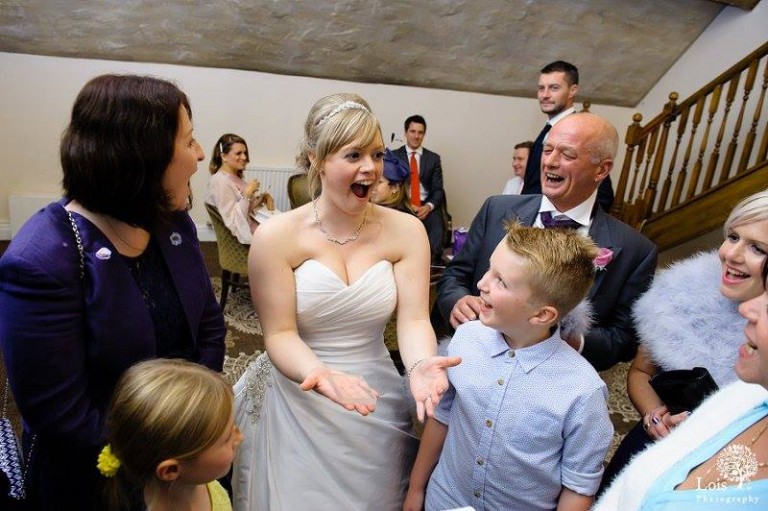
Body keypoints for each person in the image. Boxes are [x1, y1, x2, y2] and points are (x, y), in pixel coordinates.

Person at [0, 74, 226, 510]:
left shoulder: (170, 221)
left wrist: (197, 425)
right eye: (189, 141)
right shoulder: (40, 261)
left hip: (183, 459)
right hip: (96, 476)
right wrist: (165, 450)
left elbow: (208, 326)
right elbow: (61, 414)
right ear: (140, 158)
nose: (200, 155)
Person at [230, 93, 461, 510]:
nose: (371, 168)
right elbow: (279, 333)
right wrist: (320, 374)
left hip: (374, 390)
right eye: (353, 154)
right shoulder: (277, 237)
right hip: (299, 386)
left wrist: (421, 364)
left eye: (376, 153)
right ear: (316, 160)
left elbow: (412, 321)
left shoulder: (406, 231)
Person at [405, 223, 613, 511]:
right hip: (445, 499)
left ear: (542, 314)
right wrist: (417, 489)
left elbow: (578, 487)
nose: (481, 283)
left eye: (501, 281)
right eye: (490, 269)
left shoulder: (582, 393)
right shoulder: (466, 339)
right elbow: (442, 417)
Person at [435, 112, 658, 371]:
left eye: (567, 154)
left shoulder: (636, 251)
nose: (550, 162)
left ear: (602, 169)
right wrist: (458, 301)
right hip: (476, 364)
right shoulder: (496, 209)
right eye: (547, 150)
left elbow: (624, 339)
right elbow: (454, 276)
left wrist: (570, 341)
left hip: (559, 381)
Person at [599, 189, 768, 492]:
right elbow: (640, 373)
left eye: (757, 248)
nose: (731, 254)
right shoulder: (681, 292)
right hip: (650, 448)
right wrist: (654, 416)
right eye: (732, 237)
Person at [100, 359, 242, 511]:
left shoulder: (199, 476)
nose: (240, 437)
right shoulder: (200, 472)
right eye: (227, 438)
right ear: (170, 470)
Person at [521, 60, 614, 211]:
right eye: (541, 88)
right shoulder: (548, 128)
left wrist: (562, 224)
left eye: (554, 88)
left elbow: (604, 196)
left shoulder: (581, 132)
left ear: (573, 90)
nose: (545, 95)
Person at [393, 115, 447, 263]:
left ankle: (431, 265)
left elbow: (438, 190)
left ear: (424, 134)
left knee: (436, 229)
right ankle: (402, 261)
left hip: (426, 205)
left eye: (420, 132)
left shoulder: (433, 159)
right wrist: (406, 203)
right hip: (402, 203)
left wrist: (428, 207)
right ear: (405, 133)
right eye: (412, 131)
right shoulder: (394, 156)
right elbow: (391, 186)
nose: (416, 136)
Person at [205, 133, 275, 244]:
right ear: (224, 156)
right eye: (238, 153)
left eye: (245, 153)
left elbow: (243, 206)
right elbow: (233, 221)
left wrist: (262, 198)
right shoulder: (220, 182)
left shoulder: (235, 177)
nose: (244, 157)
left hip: (253, 226)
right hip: (246, 237)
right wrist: (247, 194)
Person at [371, 149, 415, 214]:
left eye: (379, 182)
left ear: (395, 187)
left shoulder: (399, 217)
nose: (371, 187)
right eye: (371, 181)